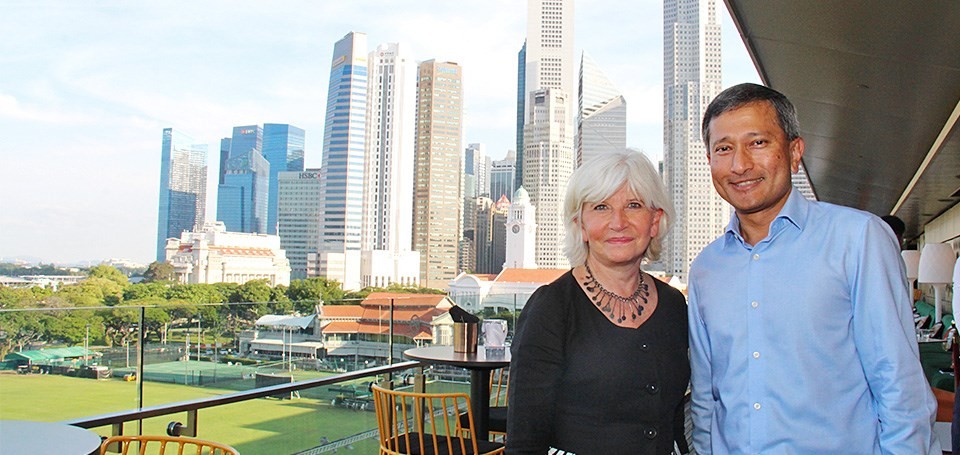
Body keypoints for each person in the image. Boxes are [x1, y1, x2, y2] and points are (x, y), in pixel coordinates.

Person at [688, 83, 939, 453]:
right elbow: (707, 400)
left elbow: (898, 383)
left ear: (794, 152)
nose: (739, 164)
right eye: (723, 148)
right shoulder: (706, 268)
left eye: (757, 143)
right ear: (709, 160)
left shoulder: (858, 239)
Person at [507, 150, 690, 454]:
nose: (618, 222)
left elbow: (675, 417)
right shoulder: (551, 308)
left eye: (633, 205)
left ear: (655, 221)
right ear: (581, 224)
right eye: (601, 207)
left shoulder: (673, 304)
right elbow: (525, 441)